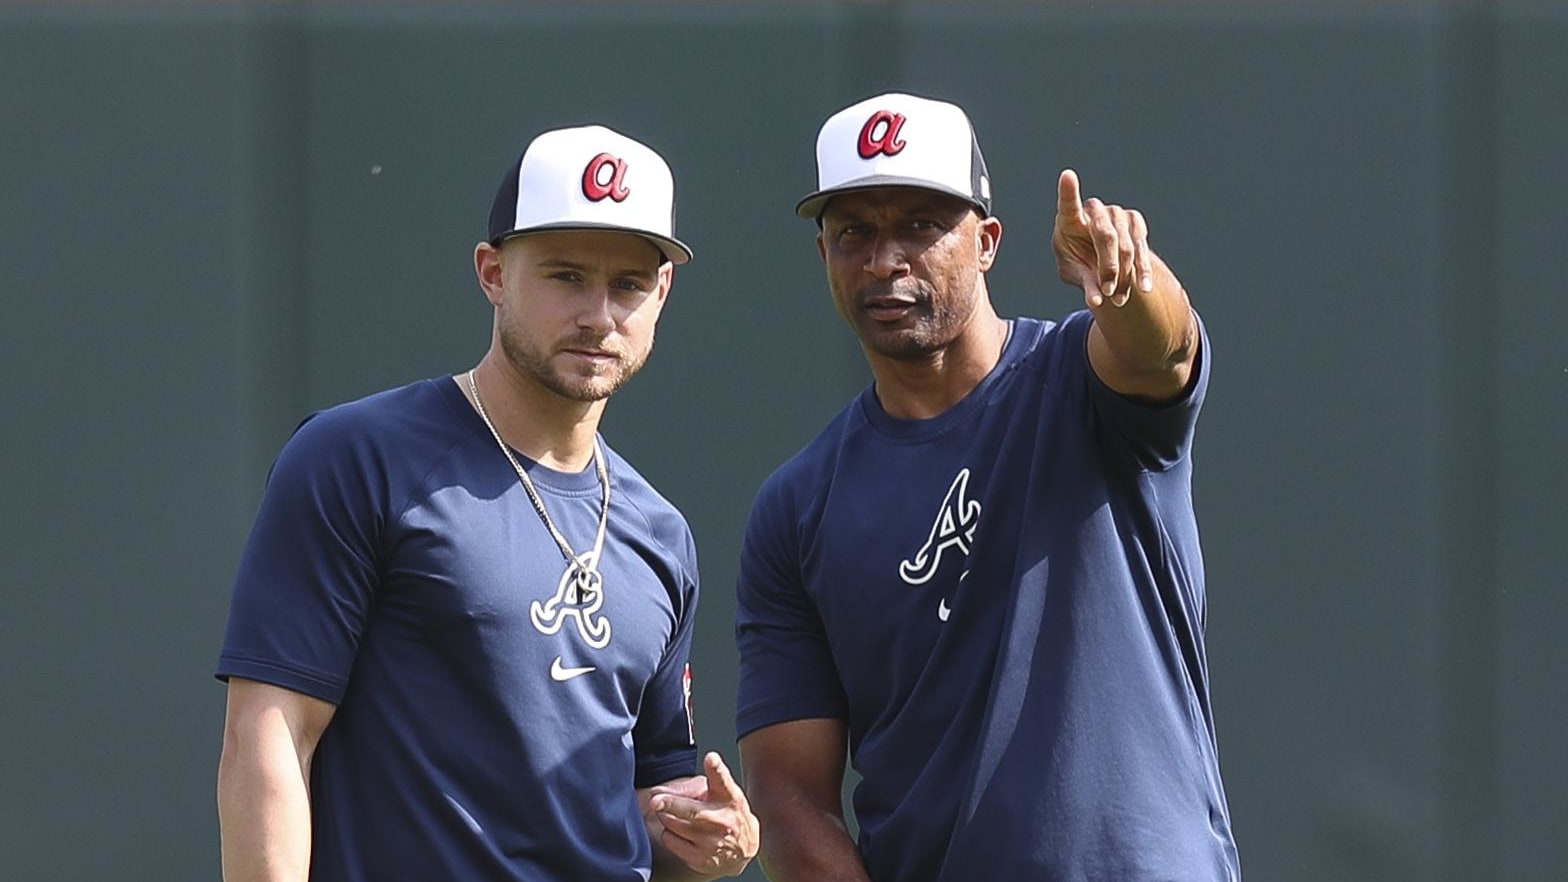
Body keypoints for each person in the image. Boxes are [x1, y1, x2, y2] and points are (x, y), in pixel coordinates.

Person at [215, 124, 758, 882]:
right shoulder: (359, 456)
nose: (599, 314)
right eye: (566, 275)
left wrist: (714, 838)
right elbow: (269, 737)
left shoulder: (659, 531)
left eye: (629, 284)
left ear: (662, 293)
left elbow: (652, 795)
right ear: (493, 272)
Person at [734, 93, 1241, 880]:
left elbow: (1160, 353)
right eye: (854, 233)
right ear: (824, 254)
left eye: (919, 226)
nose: (884, 259)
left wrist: (1130, 284)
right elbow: (790, 795)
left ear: (987, 242)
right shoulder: (798, 505)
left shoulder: (1077, 379)